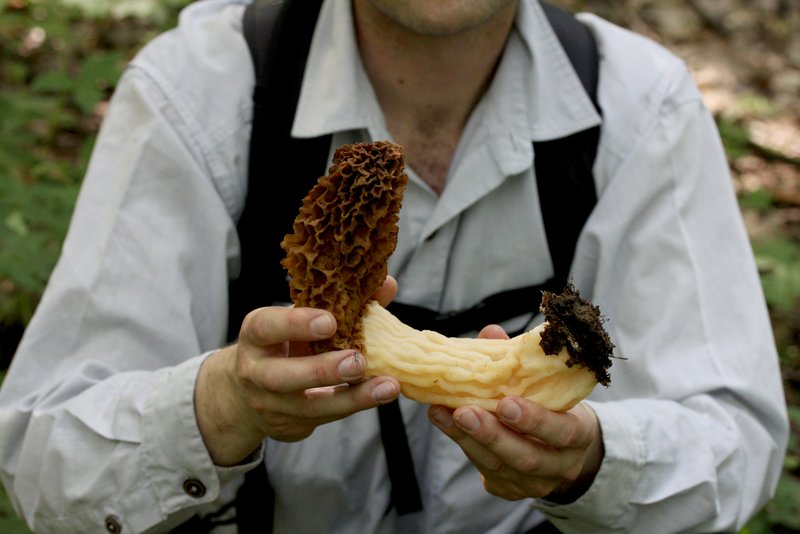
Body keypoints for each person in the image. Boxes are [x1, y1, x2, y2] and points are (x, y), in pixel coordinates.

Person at [0, 0, 789, 532]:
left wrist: (590, 462)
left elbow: (734, 440)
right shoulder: (200, 93)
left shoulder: (639, 106)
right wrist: (221, 404)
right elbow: (42, 458)